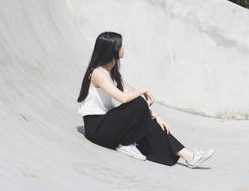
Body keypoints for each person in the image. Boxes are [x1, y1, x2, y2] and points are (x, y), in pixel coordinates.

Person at [77, 31, 215, 168]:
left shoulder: (115, 75)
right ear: (111, 50)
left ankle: (189, 157)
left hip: (109, 124)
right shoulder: (97, 73)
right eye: (120, 45)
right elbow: (124, 99)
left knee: (149, 120)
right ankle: (125, 143)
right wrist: (143, 90)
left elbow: (129, 100)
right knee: (139, 102)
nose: (123, 48)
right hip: (97, 128)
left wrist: (155, 116)